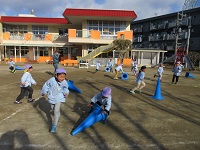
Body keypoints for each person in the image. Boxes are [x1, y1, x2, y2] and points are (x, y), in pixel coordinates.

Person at [41, 68, 69, 133]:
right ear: (56, 75)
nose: (62, 78)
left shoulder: (64, 82)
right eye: (61, 77)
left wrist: (66, 93)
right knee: (52, 108)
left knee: (56, 111)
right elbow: (46, 86)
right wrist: (44, 92)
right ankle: (57, 113)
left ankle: (54, 125)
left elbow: (66, 88)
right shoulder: (51, 80)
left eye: (64, 77)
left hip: (59, 97)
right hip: (52, 97)